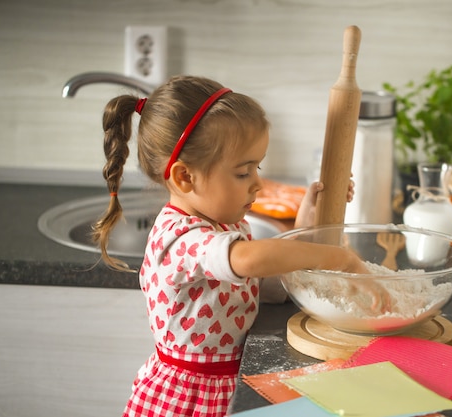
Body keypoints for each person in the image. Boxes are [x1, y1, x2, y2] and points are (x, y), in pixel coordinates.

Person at [91, 75, 377, 417]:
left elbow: (261, 277)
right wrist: (340, 258)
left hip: (227, 382)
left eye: (258, 166)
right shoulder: (180, 238)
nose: (258, 183)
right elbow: (249, 261)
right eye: (243, 172)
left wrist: (308, 224)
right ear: (185, 177)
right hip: (190, 396)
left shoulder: (224, 223)